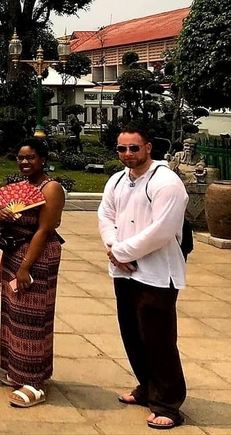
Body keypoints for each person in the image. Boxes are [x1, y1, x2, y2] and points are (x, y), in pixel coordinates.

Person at [98, 126, 188, 430]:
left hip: (158, 272)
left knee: (158, 338)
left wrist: (122, 250)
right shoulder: (117, 181)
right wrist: (114, 247)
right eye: (121, 149)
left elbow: (163, 229)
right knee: (132, 334)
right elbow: (105, 216)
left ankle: (169, 403)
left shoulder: (167, 182)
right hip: (124, 270)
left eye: (133, 148)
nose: (127, 154)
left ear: (148, 148)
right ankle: (146, 387)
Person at [0, 139, 65, 408]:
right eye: (21, 158)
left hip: (37, 254)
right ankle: (18, 370)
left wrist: (26, 267)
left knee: (34, 316)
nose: (25, 162)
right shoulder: (21, 188)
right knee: (14, 314)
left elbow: (44, 230)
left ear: (43, 159)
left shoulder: (51, 188)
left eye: (31, 158)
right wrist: (3, 217)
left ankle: (35, 381)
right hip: (13, 251)